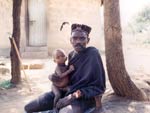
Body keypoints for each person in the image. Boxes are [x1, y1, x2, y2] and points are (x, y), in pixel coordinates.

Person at [24, 23, 106, 113]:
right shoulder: (71, 55)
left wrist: (73, 96)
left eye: (82, 38)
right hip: (65, 92)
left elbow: (99, 87)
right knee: (29, 107)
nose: (78, 41)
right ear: (71, 40)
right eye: (74, 38)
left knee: (65, 112)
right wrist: (56, 78)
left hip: (84, 98)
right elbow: (69, 78)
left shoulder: (93, 53)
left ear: (88, 40)